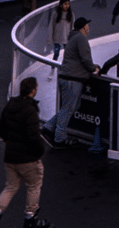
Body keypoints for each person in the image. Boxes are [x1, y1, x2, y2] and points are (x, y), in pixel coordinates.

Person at [0, 77, 53, 228]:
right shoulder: (30, 111)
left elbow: (2, 128)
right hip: (28, 159)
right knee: (34, 185)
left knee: (10, 187)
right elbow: (34, 138)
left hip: (10, 156)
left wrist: (9, 143)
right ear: (32, 91)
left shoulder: (11, 104)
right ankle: (30, 219)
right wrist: (40, 152)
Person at [42, 17, 99, 148]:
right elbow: (85, 59)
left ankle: (48, 127)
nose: (88, 28)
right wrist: (93, 68)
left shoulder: (74, 39)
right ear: (84, 27)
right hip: (72, 79)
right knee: (68, 109)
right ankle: (59, 139)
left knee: (72, 106)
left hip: (68, 77)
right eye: (87, 26)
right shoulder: (81, 39)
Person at [48, 0, 74, 81]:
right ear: (60, 5)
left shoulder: (71, 14)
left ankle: (67, 71)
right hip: (57, 39)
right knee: (56, 54)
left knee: (68, 55)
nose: (67, 6)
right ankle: (52, 71)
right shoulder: (55, 14)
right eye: (65, 4)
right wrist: (49, 38)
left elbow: (72, 27)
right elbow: (51, 26)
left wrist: (72, 38)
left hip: (67, 39)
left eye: (68, 4)